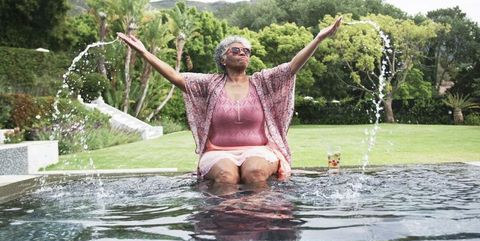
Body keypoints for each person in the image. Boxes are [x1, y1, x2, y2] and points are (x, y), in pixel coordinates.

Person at [117, 17, 342, 186]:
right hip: (218, 152)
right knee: (226, 176)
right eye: (236, 50)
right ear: (223, 58)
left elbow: (292, 67)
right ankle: (227, 230)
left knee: (254, 173)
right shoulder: (208, 84)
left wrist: (319, 38)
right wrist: (145, 53)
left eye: (247, 51)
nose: (243, 53)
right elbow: (175, 76)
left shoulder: (262, 82)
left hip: (259, 150)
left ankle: (257, 223)